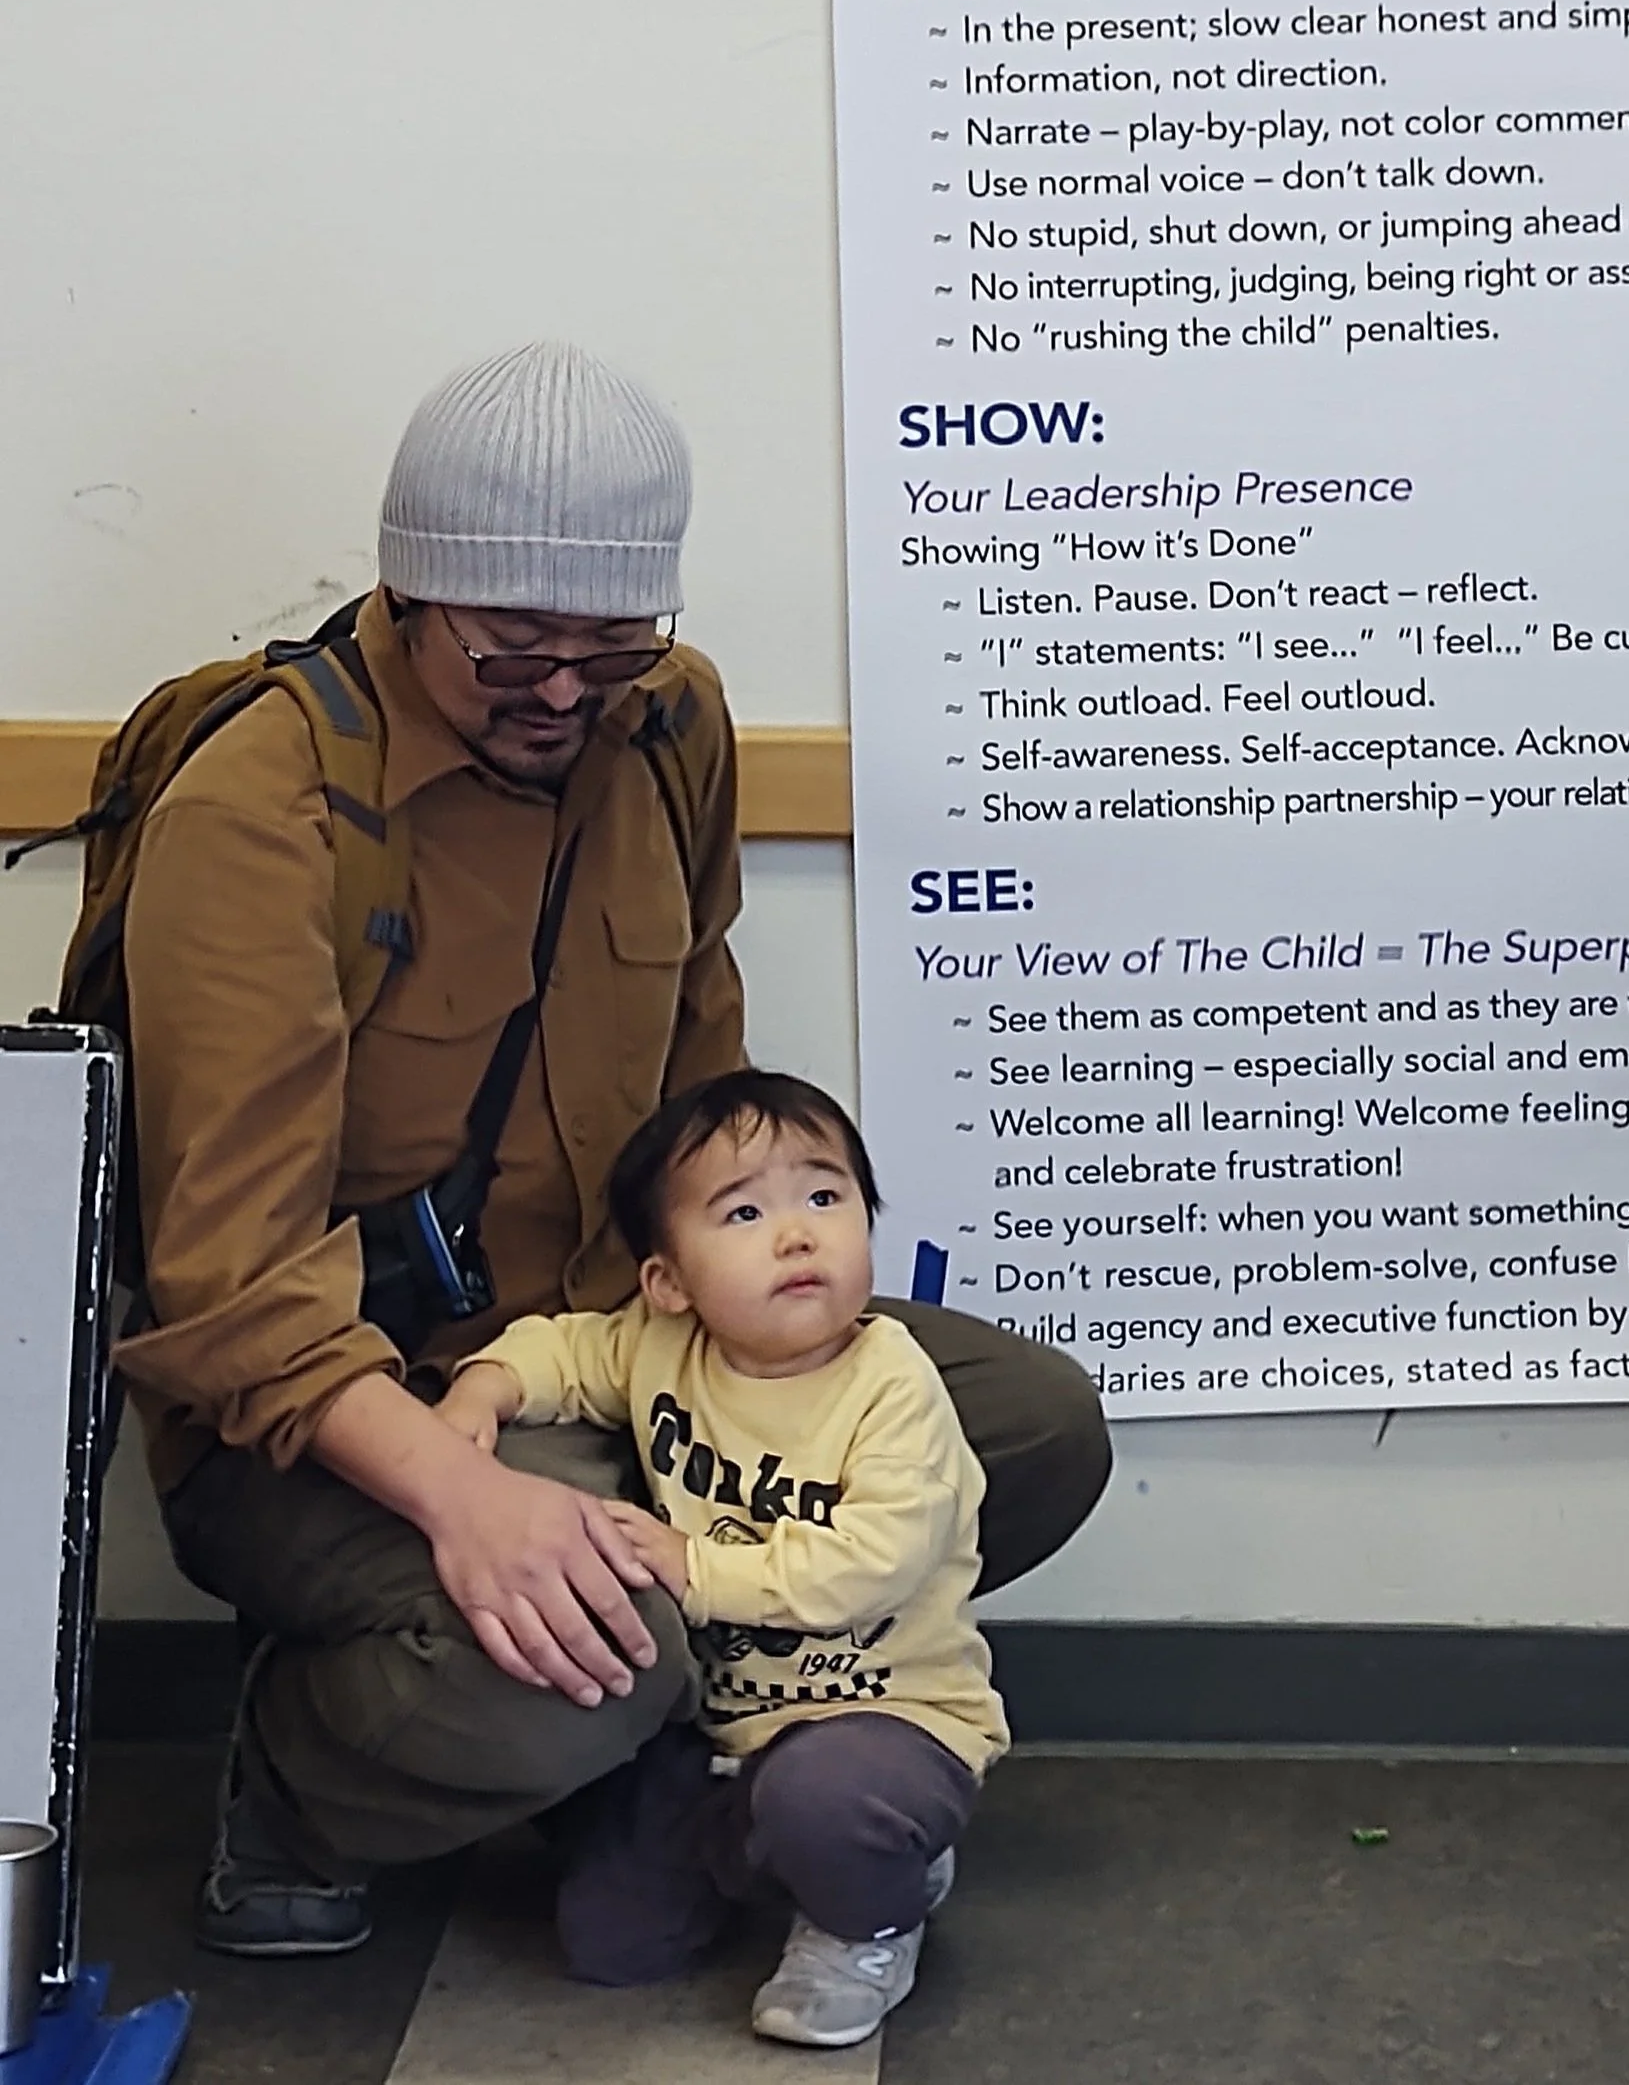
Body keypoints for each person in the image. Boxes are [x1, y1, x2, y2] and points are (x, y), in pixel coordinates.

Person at [115, 342, 1109, 1956]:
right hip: (346, 1398)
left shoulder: (671, 725)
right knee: (613, 1642)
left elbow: (701, 1082)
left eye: (611, 644)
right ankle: (298, 1776)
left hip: (622, 1336)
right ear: (409, 589)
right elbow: (231, 1290)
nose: (568, 693)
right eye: (516, 650)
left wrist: (766, 1318)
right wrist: (462, 1489)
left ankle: (634, 1734)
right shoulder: (262, 812)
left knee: (1024, 1426)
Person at [439, 1066, 1002, 2051]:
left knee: (826, 1800)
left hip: (880, 1712)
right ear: (666, 1280)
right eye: (743, 1212)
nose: (796, 1234)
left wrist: (689, 1564)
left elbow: (866, 1562)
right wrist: (480, 1393)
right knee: (612, 1940)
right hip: (721, 1728)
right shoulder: (661, 1345)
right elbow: (565, 1352)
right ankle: (793, 1855)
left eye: (825, 1198)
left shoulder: (892, 1384)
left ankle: (871, 1914)